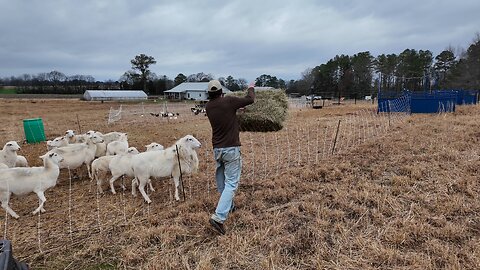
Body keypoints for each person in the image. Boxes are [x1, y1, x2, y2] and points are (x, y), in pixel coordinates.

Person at [205, 79, 255, 235]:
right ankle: (219, 218)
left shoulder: (209, 107)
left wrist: (237, 112)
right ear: (221, 92)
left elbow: (225, 114)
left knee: (222, 181)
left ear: (209, 93)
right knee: (232, 183)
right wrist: (251, 88)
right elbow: (250, 100)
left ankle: (230, 206)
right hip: (231, 149)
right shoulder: (229, 101)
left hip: (217, 149)